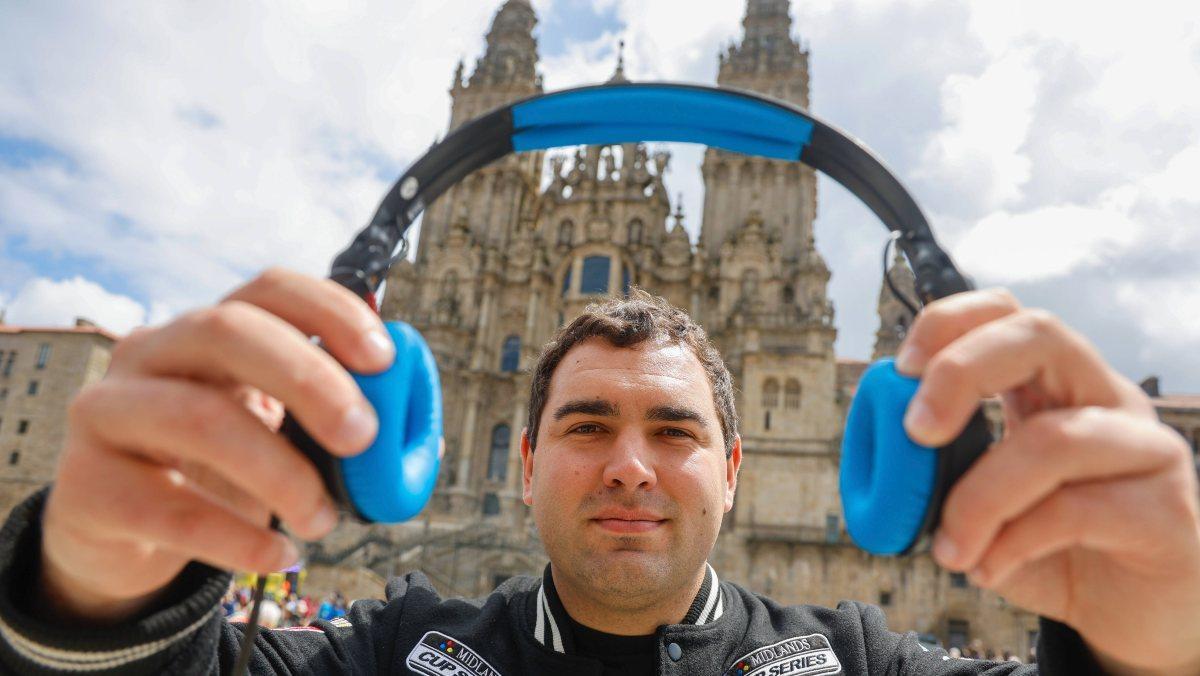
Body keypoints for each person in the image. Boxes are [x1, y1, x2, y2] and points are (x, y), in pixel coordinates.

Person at [0, 269, 1197, 674]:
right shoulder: (400, 651)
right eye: (583, 428)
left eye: (674, 432)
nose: (630, 465)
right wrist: (93, 590)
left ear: (734, 467)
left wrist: (1165, 644)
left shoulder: (852, 659)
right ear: (521, 465)